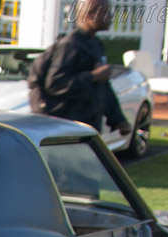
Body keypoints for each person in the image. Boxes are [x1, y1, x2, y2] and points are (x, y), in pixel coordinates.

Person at [27, 0, 132, 137]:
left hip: (88, 125)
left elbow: (103, 87)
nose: (110, 17)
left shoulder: (95, 44)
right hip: (67, 126)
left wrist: (118, 120)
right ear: (88, 14)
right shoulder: (71, 45)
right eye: (104, 12)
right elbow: (55, 84)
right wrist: (92, 76)